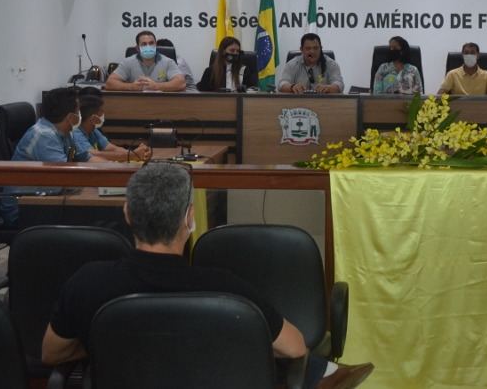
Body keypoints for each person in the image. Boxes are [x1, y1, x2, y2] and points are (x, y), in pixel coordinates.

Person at [42, 161, 374, 389]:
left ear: (128, 213)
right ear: (190, 218)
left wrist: (118, 342)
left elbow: (51, 354)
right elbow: (295, 347)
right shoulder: (225, 292)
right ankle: (327, 373)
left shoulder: (87, 282)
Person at [0, 88, 91, 225]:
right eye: (78, 112)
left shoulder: (66, 132)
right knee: (91, 215)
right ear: (70, 117)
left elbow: (87, 158)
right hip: (23, 207)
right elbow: (67, 176)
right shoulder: (44, 135)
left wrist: (114, 169)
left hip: (46, 199)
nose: (80, 116)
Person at [74, 94, 151, 162]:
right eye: (101, 111)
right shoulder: (76, 133)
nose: (103, 113)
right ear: (93, 118)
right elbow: (94, 155)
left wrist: (136, 153)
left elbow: (112, 148)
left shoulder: (93, 130)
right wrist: (132, 155)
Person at [105, 31, 187, 92]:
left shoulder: (167, 62)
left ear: (156, 45)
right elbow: (110, 83)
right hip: (133, 105)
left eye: (151, 43)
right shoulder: (127, 62)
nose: (148, 46)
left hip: (161, 104)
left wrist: (156, 86)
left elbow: (181, 83)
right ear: (137, 48)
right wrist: (131, 87)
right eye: (144, 44)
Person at [279, 34, 344, 94]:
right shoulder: (292, 64)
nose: (312, 52)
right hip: (298, 104)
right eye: (308, 48)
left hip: (324, 104)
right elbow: (282, 84)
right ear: (301, 49)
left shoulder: (331, 64)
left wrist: (328, 88)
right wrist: (292, 87)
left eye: (315, 48)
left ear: (321, 48)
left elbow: (339, 84)